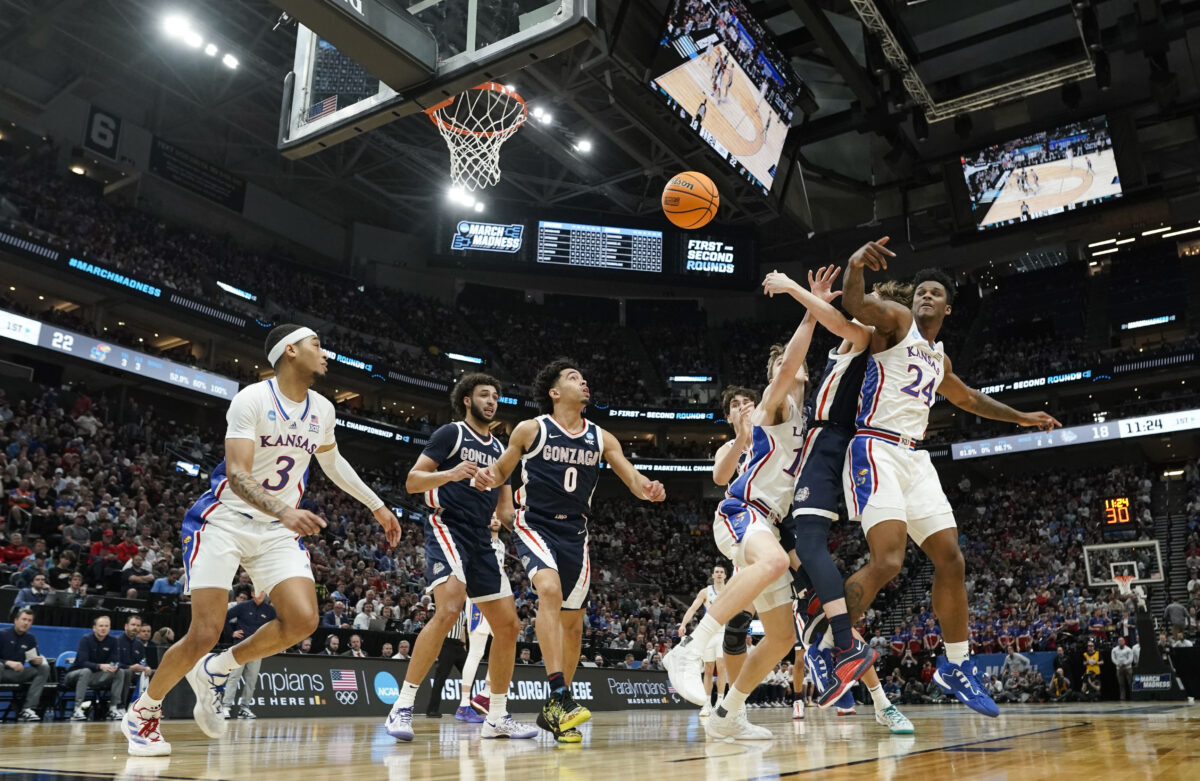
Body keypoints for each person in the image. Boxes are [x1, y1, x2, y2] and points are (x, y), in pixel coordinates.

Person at [121, 324, 401, 756]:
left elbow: (333, 462)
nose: (326, 354)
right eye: (317, 345)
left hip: (274, 530)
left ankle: (218, 669)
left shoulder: (322, 408)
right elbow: (237, 473)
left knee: (304, 620)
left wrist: (376, 505)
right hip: (224, 520)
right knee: (204, 631)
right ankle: (143, 711)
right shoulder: (252, 398)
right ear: (290, 351)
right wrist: (285, 510)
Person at [838, 239, 1060, 718]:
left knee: (951, 559)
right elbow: (855, 303)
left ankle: (955, 664)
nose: (925, 296)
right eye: (921, 291)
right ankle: (828, 637)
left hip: (916, 459)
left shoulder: (941, 360)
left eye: (935, 293)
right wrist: (855, 264)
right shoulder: (896, 322)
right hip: (876, 446)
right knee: (889, 561)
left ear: (948, 307)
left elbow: (970, 401)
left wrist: (1023, 418)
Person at [476, 359, 666, 742]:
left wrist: (648, 487)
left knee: (574, 624)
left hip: (576, 532)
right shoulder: (533, 429)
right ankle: (561, 694)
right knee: (548, 590)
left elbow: (630, 477)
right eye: (573, 378)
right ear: (555, 392)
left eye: (583, 378)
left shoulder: (601, 437)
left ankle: (554, 714)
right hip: (536, 524)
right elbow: (501, 470)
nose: (584, 382)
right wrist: (488, 476)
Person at [760, 263, 914, 733]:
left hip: (823, 456)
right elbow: (788, 365)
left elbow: (827, 330)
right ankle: (860, 678)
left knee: (811, 561)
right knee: (818, 603)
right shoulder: (777, 403)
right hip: (777, 504)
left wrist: (795, 293)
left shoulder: (863, 335)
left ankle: (851, 661)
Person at [665, 311, 816, 742]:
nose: (787, 367)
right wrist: (808, 311)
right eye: (780, 365)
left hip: (768, 522)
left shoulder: (805, 421)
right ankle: (689, 652)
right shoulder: (775, 402)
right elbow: (787, 368)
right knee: (770, 562)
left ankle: (728, 714)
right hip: (742, 510)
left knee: (783, 637)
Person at [385, 374, 535, 742]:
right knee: (449, 608)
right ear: (467, 400)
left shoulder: (503, 451)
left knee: (509, 627)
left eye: (496, 396)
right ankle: (402, 706)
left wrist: (533, 530)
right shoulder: (450, 434)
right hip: (447, 527)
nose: (492, 401)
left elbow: (504, 510)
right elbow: (412, 481)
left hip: (482, 538)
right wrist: (450, 474)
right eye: (484, 394)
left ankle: (496, 716)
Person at [459, 518, 507, 722]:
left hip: (496, 598)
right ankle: (464, 704)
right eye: (491, 515)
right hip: (479, 598)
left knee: (504, 643)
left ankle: (486, 694)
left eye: (498, 516)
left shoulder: (501, 544)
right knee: (476, 651)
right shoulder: (478, 540)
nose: (495, 519)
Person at [677, 564, 729, 717]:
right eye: (716, 572)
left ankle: (720, 702)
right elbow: (693, 609)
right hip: (709, 633)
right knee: (708, 668)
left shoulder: (730, 590)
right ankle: (707, 704)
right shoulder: (705, 592)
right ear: (712, 575)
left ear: (725, 576)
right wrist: (683, 624)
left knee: (721, 667)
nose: (719, 574)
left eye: (721, 572)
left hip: (723, 632)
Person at [223, 590, 275, 719]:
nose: (261, 595)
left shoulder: (270, 610)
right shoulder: (243, 606)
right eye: (258, 592)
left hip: (258, 649)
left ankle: (244, 708)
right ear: (252, 593)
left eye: (263, 592)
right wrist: (231, 633)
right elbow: (225, 617)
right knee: (234, 676)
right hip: (240, 646)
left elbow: (276, 626)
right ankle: (226, 706)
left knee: (251, 679)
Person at [66, 614, 126, 721]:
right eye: (101, 626)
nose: (103, 628)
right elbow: (82, 662)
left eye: (106, 626)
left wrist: (113, 666)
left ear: (109, 628)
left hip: (97, 677)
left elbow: (116, 660)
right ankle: (77, 709)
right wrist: (100, 666)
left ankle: (113, 708)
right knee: (86, 671)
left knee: (120, 672)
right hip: (74, 676)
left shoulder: (113, 641)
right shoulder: (86, 640)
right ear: (94, 628)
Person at [0, 608, 50, 721]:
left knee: (44, 668)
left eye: (29, 620)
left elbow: (33, 658)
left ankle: (28, 708)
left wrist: (36, 661)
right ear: (16, 620)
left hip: (19, 673)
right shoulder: (2, 635)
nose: (26, 623)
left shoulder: (30, 639)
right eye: (24, 619)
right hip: (3, 671)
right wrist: (8, 662)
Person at [114, 615, 153, 713]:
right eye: (133, 624)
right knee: (126, 672)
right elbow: (113, 662)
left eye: (138, 625)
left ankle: (149, 708)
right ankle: (121, 706)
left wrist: (146, 667)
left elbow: (143, 661)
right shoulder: (116, 641)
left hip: (135, 673)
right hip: (120, 671)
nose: (135, 627)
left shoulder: (139, 644)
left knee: (153, 673)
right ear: (126, 626)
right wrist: (130, 667)